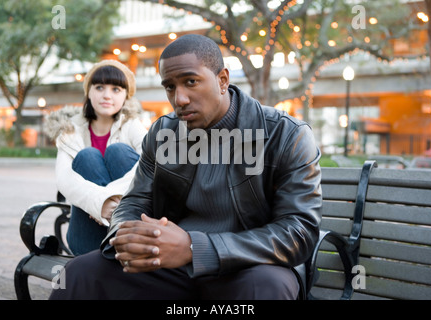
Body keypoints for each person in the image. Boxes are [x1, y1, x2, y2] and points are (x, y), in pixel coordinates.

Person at [49, 34, 322, 300]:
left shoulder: (286, 134)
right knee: (80, 273)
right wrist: (129, 234)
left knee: (265, 287)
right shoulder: (163, 132)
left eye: (191, 82)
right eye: (169, 87)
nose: (179, 99)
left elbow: (297, 232)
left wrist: (195, 248)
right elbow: (134, 202)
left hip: (248, 266)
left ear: (223, 79)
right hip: (172, 266)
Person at [44, 60, 147, 256]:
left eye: (116, 89)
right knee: (87, 157)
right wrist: (99, 203)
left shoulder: (131, 125)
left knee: (118, 152)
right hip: (87, 235)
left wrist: (110, 199)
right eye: (99, 87)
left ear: (126, 96)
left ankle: (120, 229)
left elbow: (152, 162)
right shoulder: (70, 129)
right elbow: (64, 178)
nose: (107, 95)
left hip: (130, 230)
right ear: (89, 92)